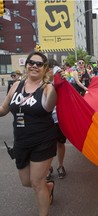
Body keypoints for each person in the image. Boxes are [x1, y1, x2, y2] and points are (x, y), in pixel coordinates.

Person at [0, 51, 64, 216]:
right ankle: (48, 186)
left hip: (43, 140)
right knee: (26, 182)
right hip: (21, 140)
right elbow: (3, 109)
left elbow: (50, 105)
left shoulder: (47, 87)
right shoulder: (16, 86)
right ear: (26, 65)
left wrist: (57, 87)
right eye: (31, 62)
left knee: (36, 182)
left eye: (39, 64)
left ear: (44, 68)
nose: (34, 66)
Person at [46, 59, 67, 181]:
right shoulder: (39, 82)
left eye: (52, 68)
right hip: (45, 119)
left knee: (60, 143)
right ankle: (48, 168)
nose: (50, 70)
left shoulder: (59, 79)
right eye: (48, 68)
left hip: (58, 117)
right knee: (47, 146)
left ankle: (60, 165)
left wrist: (63, 79)